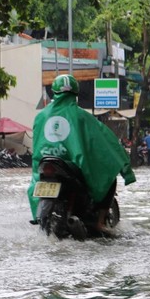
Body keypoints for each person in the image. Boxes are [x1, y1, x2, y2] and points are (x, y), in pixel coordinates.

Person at [27, 74, 136, 233]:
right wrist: (125, 169)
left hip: (45, 164)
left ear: (54, 92)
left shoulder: (40, 116)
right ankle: (99, 223)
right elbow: (106, 141)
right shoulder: (82, 116)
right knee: (109, 179)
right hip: (70, 166)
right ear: (75, 94)